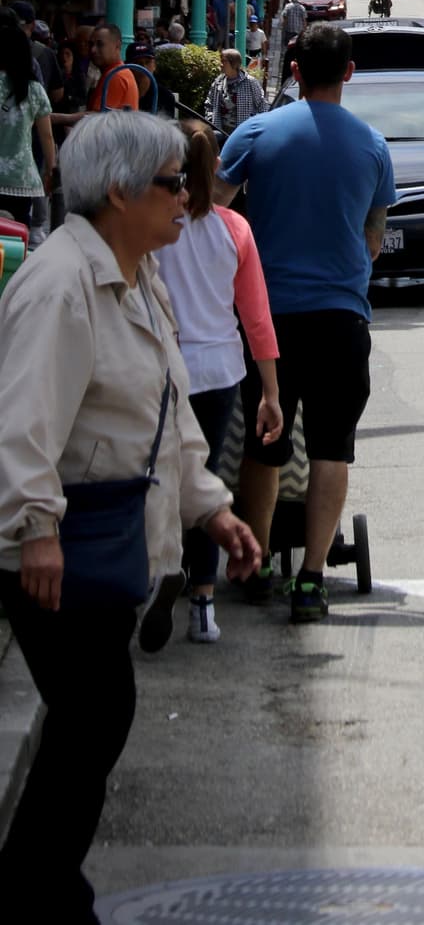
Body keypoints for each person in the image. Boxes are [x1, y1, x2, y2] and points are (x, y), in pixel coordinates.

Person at [0, 112, 260, 923]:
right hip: (61, 549)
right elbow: (24, 420)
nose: (187, 198)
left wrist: (211, 509)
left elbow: (170, 415)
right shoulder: (61, 283)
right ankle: (37, 890)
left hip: (109, 544)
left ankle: (42, 883)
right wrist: (35, 526)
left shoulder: (135, 272)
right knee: (94, 717)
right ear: (118, 191)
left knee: (95, 720)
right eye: (172, 183)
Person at [217, 22, 395, 624]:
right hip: (342, 318)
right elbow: (375, 237)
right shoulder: (373, 146)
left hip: (267, 321)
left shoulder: (258, 132)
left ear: (294, 71)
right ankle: (313, 580)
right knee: (330, 448)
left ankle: (260, 561)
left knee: (263, 445)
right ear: (349, 73)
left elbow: (210, 209)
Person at [155, 122, 283, 643]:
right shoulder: (235, 230)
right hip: (219, 371)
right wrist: (271, 392)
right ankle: (204, 603)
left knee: (160, 477)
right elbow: (256, 318)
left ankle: (166, 571)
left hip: (162, 369)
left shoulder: (155, 226)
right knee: (205, 480)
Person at [0, 10, 55, 230]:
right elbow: (47, 137)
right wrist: (51, 170)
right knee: (17, 239)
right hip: (22, 180)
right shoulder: (35, 91)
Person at [204, 48, 267, 139]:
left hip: (243, 134)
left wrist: (256, 126)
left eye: (223, 61)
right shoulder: (219, 81)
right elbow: (209, 103)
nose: (220, 64)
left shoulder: (250, 82)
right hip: (220, 131)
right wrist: (210, 118)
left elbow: (262, 105)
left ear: (233, 63)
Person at [84, 24, 139, 111]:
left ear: (117, 46)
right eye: (91, 44)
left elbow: (96, 118)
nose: (93, 50)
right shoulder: (116, 72)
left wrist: (58, 118)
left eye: (100, 44)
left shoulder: (116, 76)